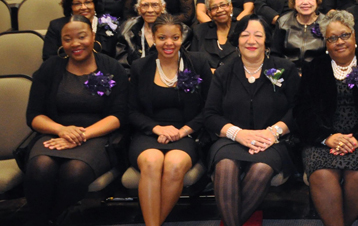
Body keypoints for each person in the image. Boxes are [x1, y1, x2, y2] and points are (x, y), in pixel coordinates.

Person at [25, 15, 129, 226]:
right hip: (54, 134)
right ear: (61, 42)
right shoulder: (49, 68)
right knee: (40, 168)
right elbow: (34, 115)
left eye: (82, 36)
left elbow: (119, 116)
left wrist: (81, 135)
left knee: (74, 172)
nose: (75, 43)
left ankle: (49, 219)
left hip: (98, 136)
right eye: (68, 39)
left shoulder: (111, 67)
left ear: (93, 36)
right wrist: (62, 130)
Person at [296, 10, 358, 226]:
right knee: (322, 174)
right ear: (326, 42)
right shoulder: (314, 68)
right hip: (323, 142)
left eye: (344, 35)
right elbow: (303, 113)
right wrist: (327, 138)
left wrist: (357, 138)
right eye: (332, 38)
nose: (339, 42)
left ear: (354, 35)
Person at [203, 15, 300, 226]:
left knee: (261, 168)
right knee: (225, 165)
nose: (251, 40)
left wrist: (273, 132)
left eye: (258, 35)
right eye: (245, 35)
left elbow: (298, 110)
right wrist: (238, 133)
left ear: (266, 40)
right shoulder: (224, 71)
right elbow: (210, 115)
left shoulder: (285, 68)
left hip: (273, 141)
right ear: (237, 39)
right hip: (230, 140)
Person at [128, 14, 214, 226]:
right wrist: (157, 128)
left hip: (186, 134)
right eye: (162, 38)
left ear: (181, 38)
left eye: (175, 37)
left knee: (175, 164)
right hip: (149, 133)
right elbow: (130, 111)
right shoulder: (140, 67)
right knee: (152, 161)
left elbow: (210, 108)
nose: (169, 43)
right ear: (153, 38)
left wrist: (183, 131)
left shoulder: (198, 62)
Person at [43, 0, 116, 60]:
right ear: (70, 6)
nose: (83, 7)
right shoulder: (56, 26)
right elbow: (49, 58)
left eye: (88, 2)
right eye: (77, 4)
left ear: (94, 4)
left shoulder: (109, 25)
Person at [271, 0, 326, 68]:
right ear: (294, 2)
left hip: (318, 72)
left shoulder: (326, 23)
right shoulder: (283, 22)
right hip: (288, 71)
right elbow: (275, 54)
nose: (305, 2)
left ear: (317, 0)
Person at [117, 0, 170, 67]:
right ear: (138, 9)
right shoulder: (126, 30)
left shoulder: (180, 31)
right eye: (145, 5)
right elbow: (122, 65)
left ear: (163, 7)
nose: (150, 10)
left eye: (155, 5)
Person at [191, 0, 238, 70]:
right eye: (214, 7)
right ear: (209, 13)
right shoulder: (199, 31)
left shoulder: (243, 29)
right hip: (207, 77)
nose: (219, 10)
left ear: (230, 7)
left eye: (223, 5)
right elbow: (193, 62)